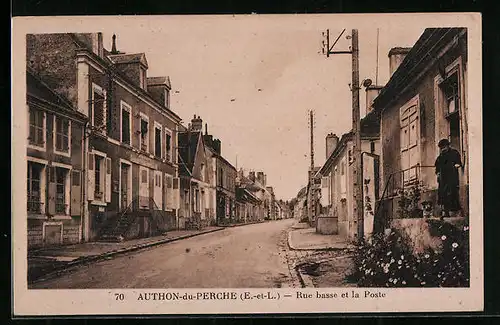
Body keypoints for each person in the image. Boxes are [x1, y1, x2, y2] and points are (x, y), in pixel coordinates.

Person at [434, 139, 462, 219]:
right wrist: (438, 174)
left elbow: (458, 163)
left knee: (453, 193)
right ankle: (446, 212)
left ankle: (456, 212)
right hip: (443, 179)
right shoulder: (440, 157)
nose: (443, 149)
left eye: (444, 147)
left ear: (448, 146)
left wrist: (455, 166)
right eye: (441, 148)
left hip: (452, 177)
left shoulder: (454, 153)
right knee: (443, 195)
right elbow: (437, 168)